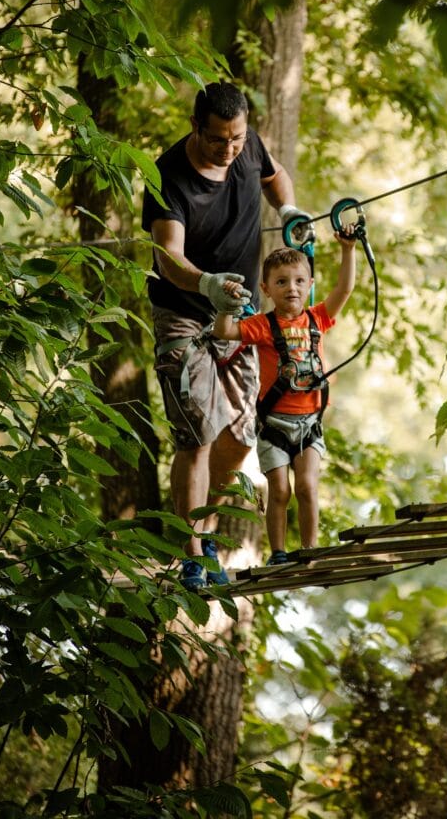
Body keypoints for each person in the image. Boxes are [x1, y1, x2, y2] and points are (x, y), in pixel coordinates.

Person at [142, 81, 309, 591]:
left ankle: (205, 534)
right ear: (197, 128)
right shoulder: (167, 175)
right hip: (185, 313)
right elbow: (169, 258)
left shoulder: (248, 144)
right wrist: (207, 283)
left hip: (242, 316)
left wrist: (288, 212)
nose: (230, 149)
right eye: (219, 140)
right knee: (197, 430)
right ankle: (190, 554)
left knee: (238, 438)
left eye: (236, 138)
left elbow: (272, 176)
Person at [213, 229, 357, 565]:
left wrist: (347, 249)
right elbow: (224, 331)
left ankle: (310, 551)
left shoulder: (318, 318)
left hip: (310, 425)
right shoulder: (262, 326)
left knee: (307, 487)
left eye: (298, 281)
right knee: (279, 491)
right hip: (275, 424)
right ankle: (277, 554)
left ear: (309, 285)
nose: (290, 288)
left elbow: (344, 288)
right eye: (281, 282)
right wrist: (225, 307)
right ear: (266, 288)